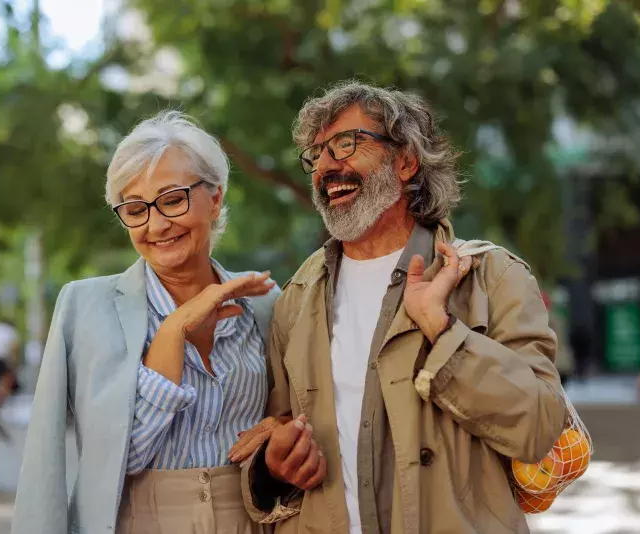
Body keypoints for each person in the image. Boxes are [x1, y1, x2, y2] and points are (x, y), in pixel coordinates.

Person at [233, 81, 567, 534]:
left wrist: (443, 330)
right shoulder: (297, 296)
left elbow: (539, 426)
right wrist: (274, 466)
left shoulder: (492, 276)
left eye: (346, 145)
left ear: (406, 161)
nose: (327, 167)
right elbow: (279, 434)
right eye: (316, 155)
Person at [12, 111, 280, 534]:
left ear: (215, 198)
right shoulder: (84, 307)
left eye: (172, 199)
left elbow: (297, 418)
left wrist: (282, 430)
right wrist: (174, 330)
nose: (156, 225)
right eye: (135, 209)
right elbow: (94, 460)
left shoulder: (265, 304)